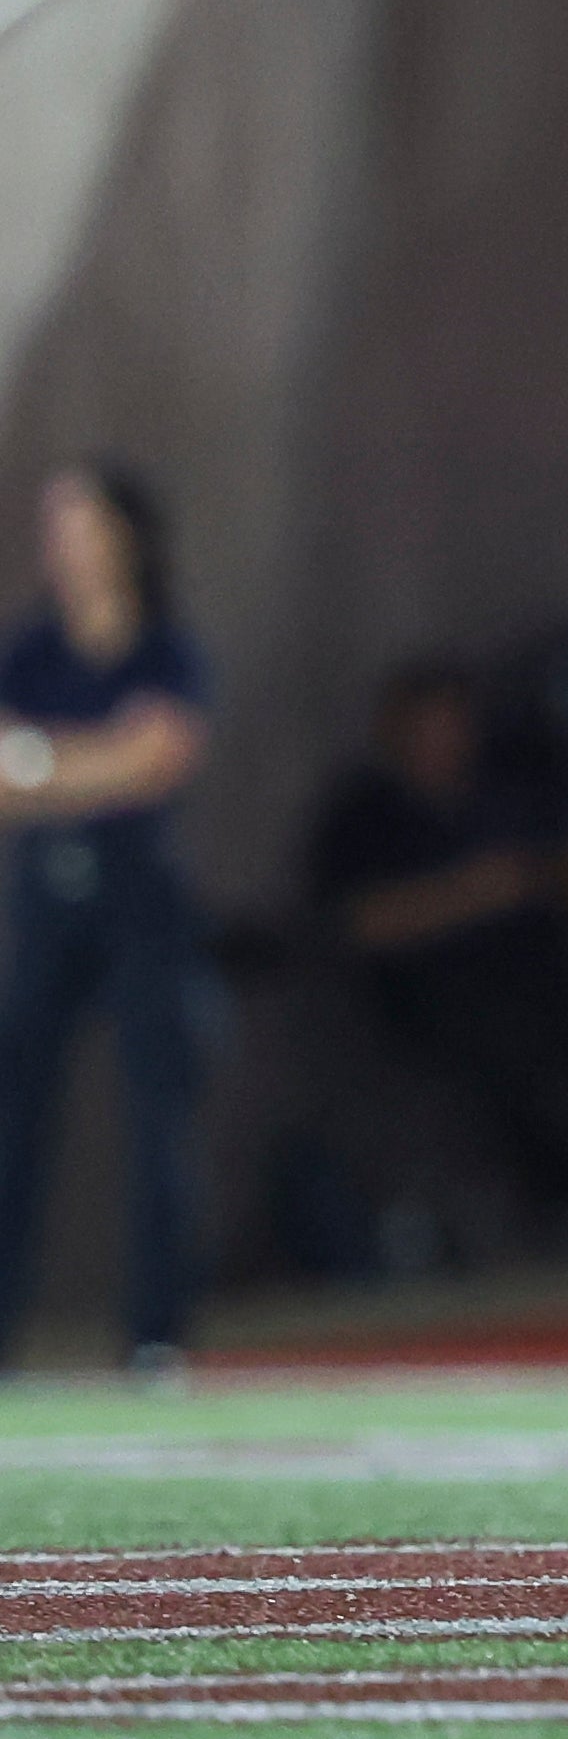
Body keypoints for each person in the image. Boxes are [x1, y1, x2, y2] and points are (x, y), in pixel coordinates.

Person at [303, 663, 568, 1239]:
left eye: (450, 725)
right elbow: (356, 925)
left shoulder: (510, 788)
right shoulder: (364, 817)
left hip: (548, 976)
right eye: (422, 729)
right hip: (438, 1001)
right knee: (516, 1075)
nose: (439, 743)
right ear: (393, 732)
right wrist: (470, 893)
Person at [0, 464, 209, 1368]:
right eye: (55, 526)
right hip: (46, 895)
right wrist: (98, 761)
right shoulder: (29, 654)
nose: (65, 544)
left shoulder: (166, 648)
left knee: (159, 1112)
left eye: (82, 523)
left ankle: (156, 1336)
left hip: (139, 894)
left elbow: (158, 758)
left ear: (124, 534)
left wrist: (45, 759)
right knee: (17, 1116)